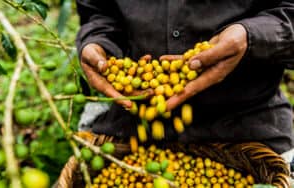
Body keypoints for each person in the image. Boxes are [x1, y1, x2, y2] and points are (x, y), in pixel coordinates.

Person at [75, 0, 294, 155]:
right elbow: (98, 11)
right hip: (136, 123)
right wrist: (99, 42)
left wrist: (250, 36)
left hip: (248, 126)